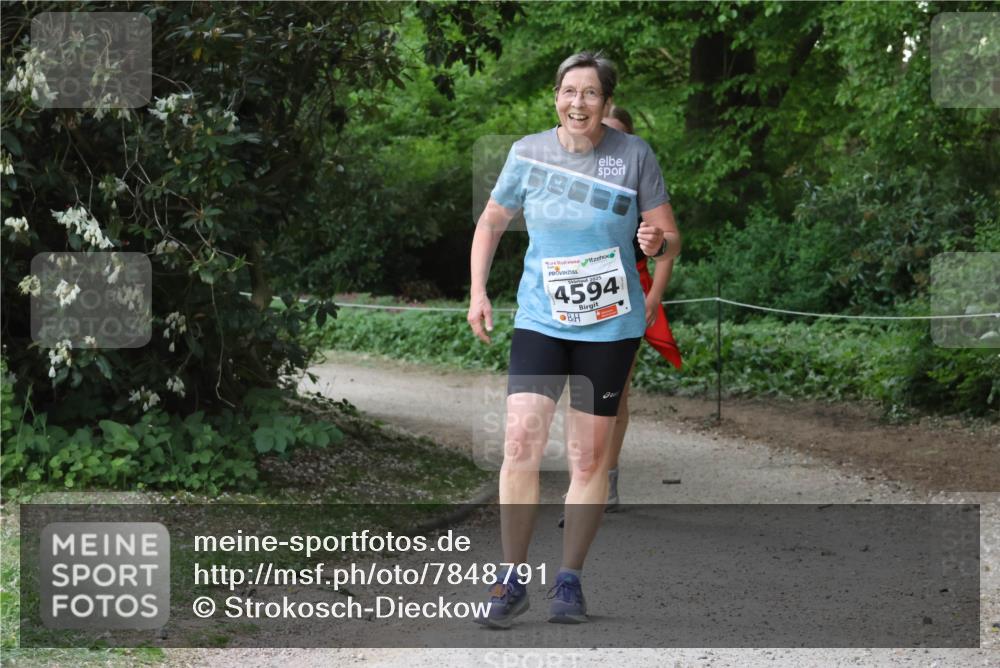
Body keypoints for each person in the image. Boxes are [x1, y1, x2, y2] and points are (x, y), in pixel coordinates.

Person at [467, 51, 681, 627]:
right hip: (541, 321)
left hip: (609, 329)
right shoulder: (528, 153)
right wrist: (478, 291)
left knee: (588, 458)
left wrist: (654, 243)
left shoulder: (634, 155)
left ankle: (569, 580)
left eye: (590, 94)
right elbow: (491, 221)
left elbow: (668, 237)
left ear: (606, 103)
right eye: (569, 92)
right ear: (555, 97)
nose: (578, 103)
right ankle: (511, 580)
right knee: (519, 446)